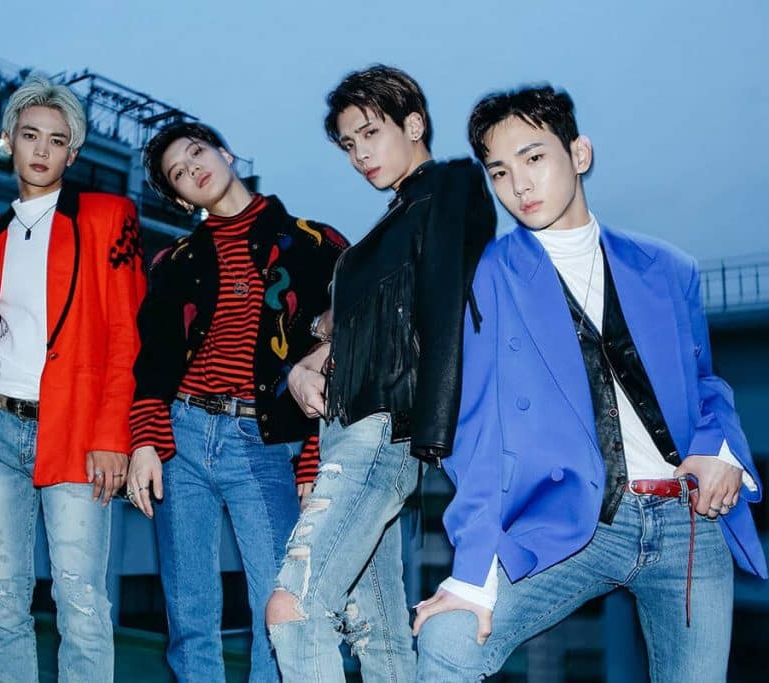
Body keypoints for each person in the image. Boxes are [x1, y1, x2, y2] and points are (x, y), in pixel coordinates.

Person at [414, 84, 767, 682]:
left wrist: (721, 450)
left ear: (579, 154)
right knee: (449, 641)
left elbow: (705, 384)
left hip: (687, 521)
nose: (519, 185)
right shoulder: (492, 278)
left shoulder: (667, 268)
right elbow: (477, 435)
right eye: (499, 172)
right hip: (573, 523)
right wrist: (472, 574)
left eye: (533, 157)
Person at [265, 65, 496, 682]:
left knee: (293, 608)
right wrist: (312, 358)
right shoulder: (395, 219)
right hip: (349, 428)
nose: (359, 154)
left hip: (380, 429)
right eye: (348, 144)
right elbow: (374, 319)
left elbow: (444, 306)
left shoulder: (448, 185)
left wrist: (434, 429)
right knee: (380, 633)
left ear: (413, 124)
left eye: (370, 133)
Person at [127, 121, 347, 682]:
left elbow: (344, 354)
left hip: (262, 439)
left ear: (224, 153)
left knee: (277, 608)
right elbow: (154, 357)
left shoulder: (315, 244)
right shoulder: (174, 261)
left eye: (196, 152)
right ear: (181, 198)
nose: (193, 169)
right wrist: (145, 440)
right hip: (182, 434)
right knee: (189, 611)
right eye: (179, 173)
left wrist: (312, 454)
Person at [0, 75, 145, 682]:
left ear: (72, 153)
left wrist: (112, 435)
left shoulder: (108, 217)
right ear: (9, 140)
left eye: (57, 140)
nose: (41, 149)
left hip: (78, 432)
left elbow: (127, 333)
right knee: (1, 600)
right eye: (30, 135)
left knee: (80, 599)